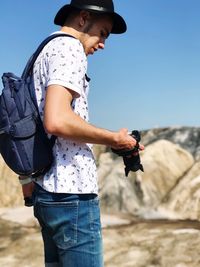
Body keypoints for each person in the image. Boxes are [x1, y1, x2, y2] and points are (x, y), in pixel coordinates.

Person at [21, 0, 144, 266]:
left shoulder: (46, 49)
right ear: (83, 18)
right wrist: (115, 138)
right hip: (72, 195)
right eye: (102, 33)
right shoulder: (69, 49)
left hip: (47, 191)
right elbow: (57, 120)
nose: (102, 44)